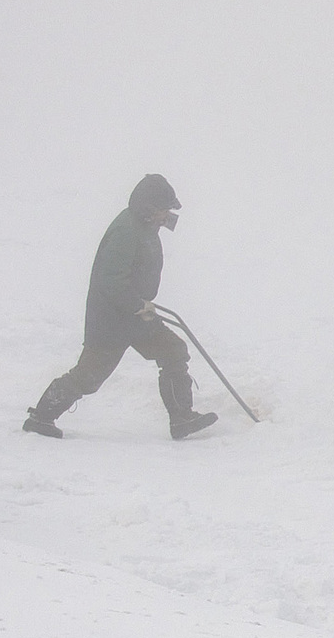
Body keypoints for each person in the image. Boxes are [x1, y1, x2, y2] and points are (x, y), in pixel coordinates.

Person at [22, 174, 218, 441]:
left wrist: (141, 305)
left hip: (136, 316)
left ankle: (182, 418)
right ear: (149, 208)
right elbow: (110, 280)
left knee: (173, 351)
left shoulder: (145, 226)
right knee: (89, 376)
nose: (167, 215)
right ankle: (41, 417)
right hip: (111, 319)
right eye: (164, 209)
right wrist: (137, 304)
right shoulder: (127, 231)